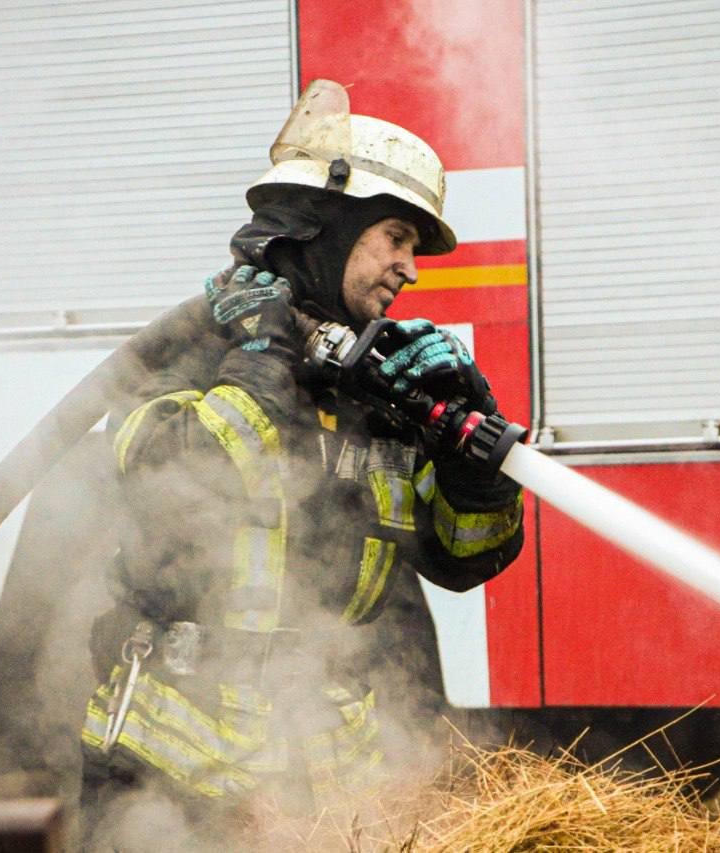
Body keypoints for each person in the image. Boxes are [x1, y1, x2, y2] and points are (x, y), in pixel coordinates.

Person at [77, 80, 524, 843]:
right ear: (326, 228)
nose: (411, 270)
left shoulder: (376, 387)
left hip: (330, 778)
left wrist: (471, 460)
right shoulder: (191, 354)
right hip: (172, 781)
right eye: (396, 237)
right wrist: (261, 359)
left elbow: (460, 555)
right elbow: (174, 488)